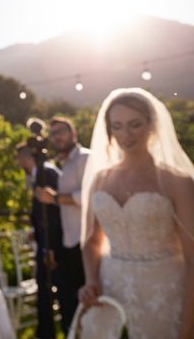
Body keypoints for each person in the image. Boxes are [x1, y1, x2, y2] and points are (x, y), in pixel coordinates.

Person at [79, 88, 194, 339]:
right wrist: (90, 281)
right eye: (117, 126)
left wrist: (188, 327)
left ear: (152, 125)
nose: (126, 135)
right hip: (111, 292)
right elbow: (92, 241)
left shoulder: (177, 182)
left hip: (164, 295)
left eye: (135, 125)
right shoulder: (100, 180)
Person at [34, 117, 89, 333]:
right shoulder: (64, 166)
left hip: (86, 243)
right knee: (69, 306)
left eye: (62, 131)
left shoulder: (85, 158)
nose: (57, 136)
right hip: (68, 244)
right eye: (53, 132)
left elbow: (91, 196)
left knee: (85, 307)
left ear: (73, 133)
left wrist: (55, 198)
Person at [16, 143, 63, 339]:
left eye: (18, 158)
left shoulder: (47, 174)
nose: (18, 163)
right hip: (44, 240)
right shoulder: (39, 175)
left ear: (26, 157)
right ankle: (45, 332)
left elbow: (54, 214)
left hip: (53, 244)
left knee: (49, 288)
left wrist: (49, 246)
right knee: (42, 288)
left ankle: (50, 332)